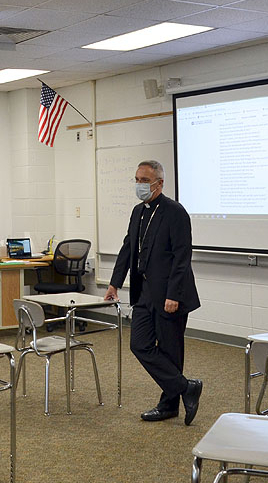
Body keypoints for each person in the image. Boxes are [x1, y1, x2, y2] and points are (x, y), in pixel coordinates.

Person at [104, 160, 203, 426]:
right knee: (139, 344)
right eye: (136, 179)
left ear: (159, 183)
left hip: (171, 293)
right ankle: (186, 387)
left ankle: (168, 405)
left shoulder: (175, 212)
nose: (139, 185)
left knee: (171, 351)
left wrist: (174, 294)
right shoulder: (138, 211)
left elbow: (183, 257)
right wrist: (115, 283)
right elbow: (128, 249)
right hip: (144, 292)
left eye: (144, 181)